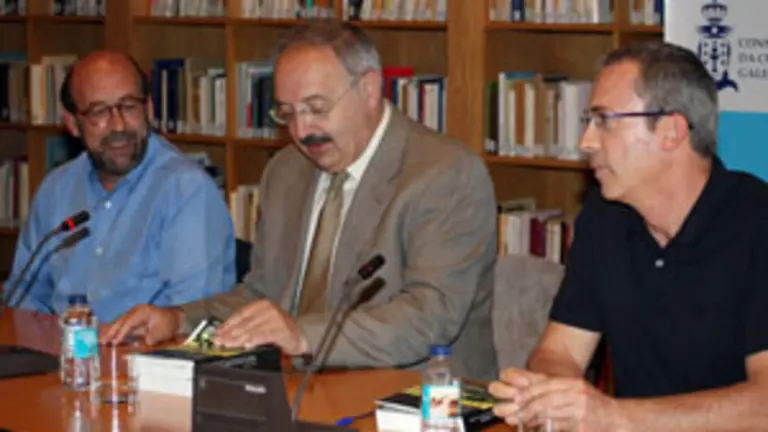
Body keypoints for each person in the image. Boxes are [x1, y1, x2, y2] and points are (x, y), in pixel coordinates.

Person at [103, 20, 499, 381]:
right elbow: (263, 295)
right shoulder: (287, 172)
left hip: (416, 397)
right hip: (298, 384)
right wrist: (178, 320)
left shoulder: (444, 175)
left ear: (369, 88)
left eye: (316, 108)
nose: (302, 130)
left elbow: (429, 318)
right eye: (287, 113)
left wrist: (301, 334)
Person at [489, 40, 768, 431]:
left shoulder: (757, 222)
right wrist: (551, 395)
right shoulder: (604, 220)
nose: (586, 141)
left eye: (604, 120)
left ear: (671, 131)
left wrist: (616, 418)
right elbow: (559, 351)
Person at [3, 51, 237, 323]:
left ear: (149, 110)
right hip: (63, 356)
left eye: (128, 106)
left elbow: (191, 321)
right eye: (99, 112)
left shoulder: (186, 191)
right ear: (72, 123)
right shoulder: (57, 188)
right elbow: (24, 301)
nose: (118, 125)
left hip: (144, 360)